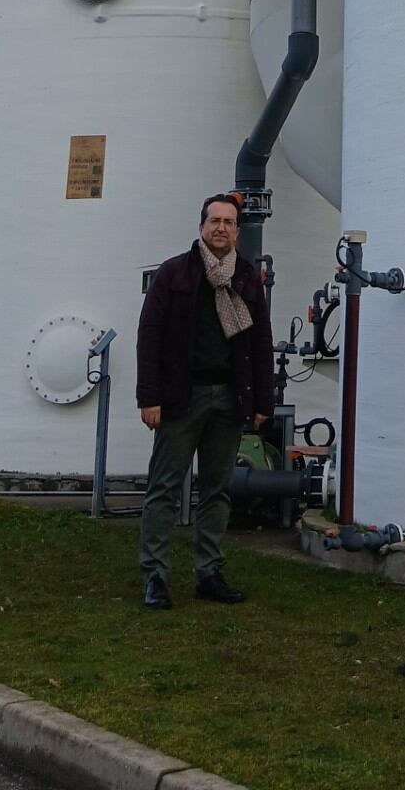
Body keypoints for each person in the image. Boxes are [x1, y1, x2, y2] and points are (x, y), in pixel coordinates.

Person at [136, 192, 274, 608]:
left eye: (229, 222)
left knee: (217, 490)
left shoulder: (246, 278)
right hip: (182, 397)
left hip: (229, 398)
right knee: (163, 488)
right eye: (215, 221)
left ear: (237, 232)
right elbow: (150, 336)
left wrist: (261, 401)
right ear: (201, 227)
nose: (221, 228)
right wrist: (149, 397)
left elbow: (260, 342)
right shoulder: (174, 273)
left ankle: (209, 572)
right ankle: (155, 576)